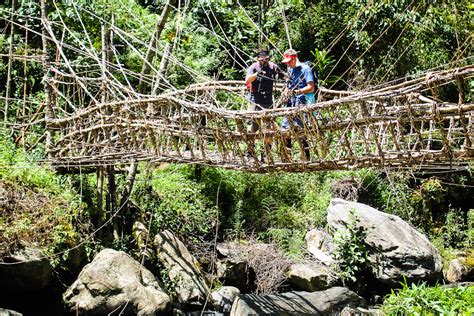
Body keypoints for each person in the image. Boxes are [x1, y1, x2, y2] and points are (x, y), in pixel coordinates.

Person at [245, 49, 282, 161]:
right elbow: (247, 81)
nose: (265, 61)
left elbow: (283, 75)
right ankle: (250, 153)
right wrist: (257, 74)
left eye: (266, 59)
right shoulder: (254, 67)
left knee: (268, 128)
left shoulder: (273, 67)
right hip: (255, 100)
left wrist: (289, 78)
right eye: (262, 60)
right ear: (258, 60)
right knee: (252, 128)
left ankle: (265, 153)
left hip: (268, 101)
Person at [281, 48, 316, 161]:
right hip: (290, 103)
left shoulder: (306, 69)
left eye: (289, 62)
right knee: (285, 129)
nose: (288, 64)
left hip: (302, 102)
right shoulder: (290, 70)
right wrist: (286, 91)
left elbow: (311, 88)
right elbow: (288, 85)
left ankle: (306, 158)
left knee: (301, 130)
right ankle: (287, 158)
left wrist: (298, 91)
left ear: (294, 59)